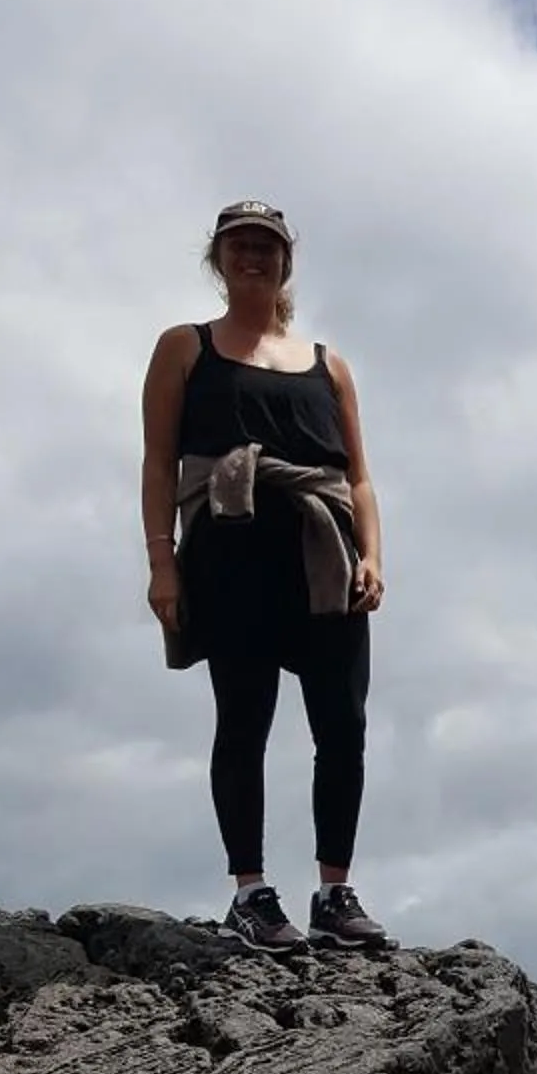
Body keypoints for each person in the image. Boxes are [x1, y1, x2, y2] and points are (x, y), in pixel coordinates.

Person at [140, 200, 391, 954]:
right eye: (239, 244)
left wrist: (373, 554)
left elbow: (361, 478)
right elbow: (157, 462)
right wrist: (162, 563)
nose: (254, 255)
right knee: (243, 721)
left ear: (287, 260)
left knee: (342, 727)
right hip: (233, 550)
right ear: (219, 259)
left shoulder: (328, 362)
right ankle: (250, 893)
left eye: (268, 245)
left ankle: (333, 892)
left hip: (326, 553)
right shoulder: (185, 347)